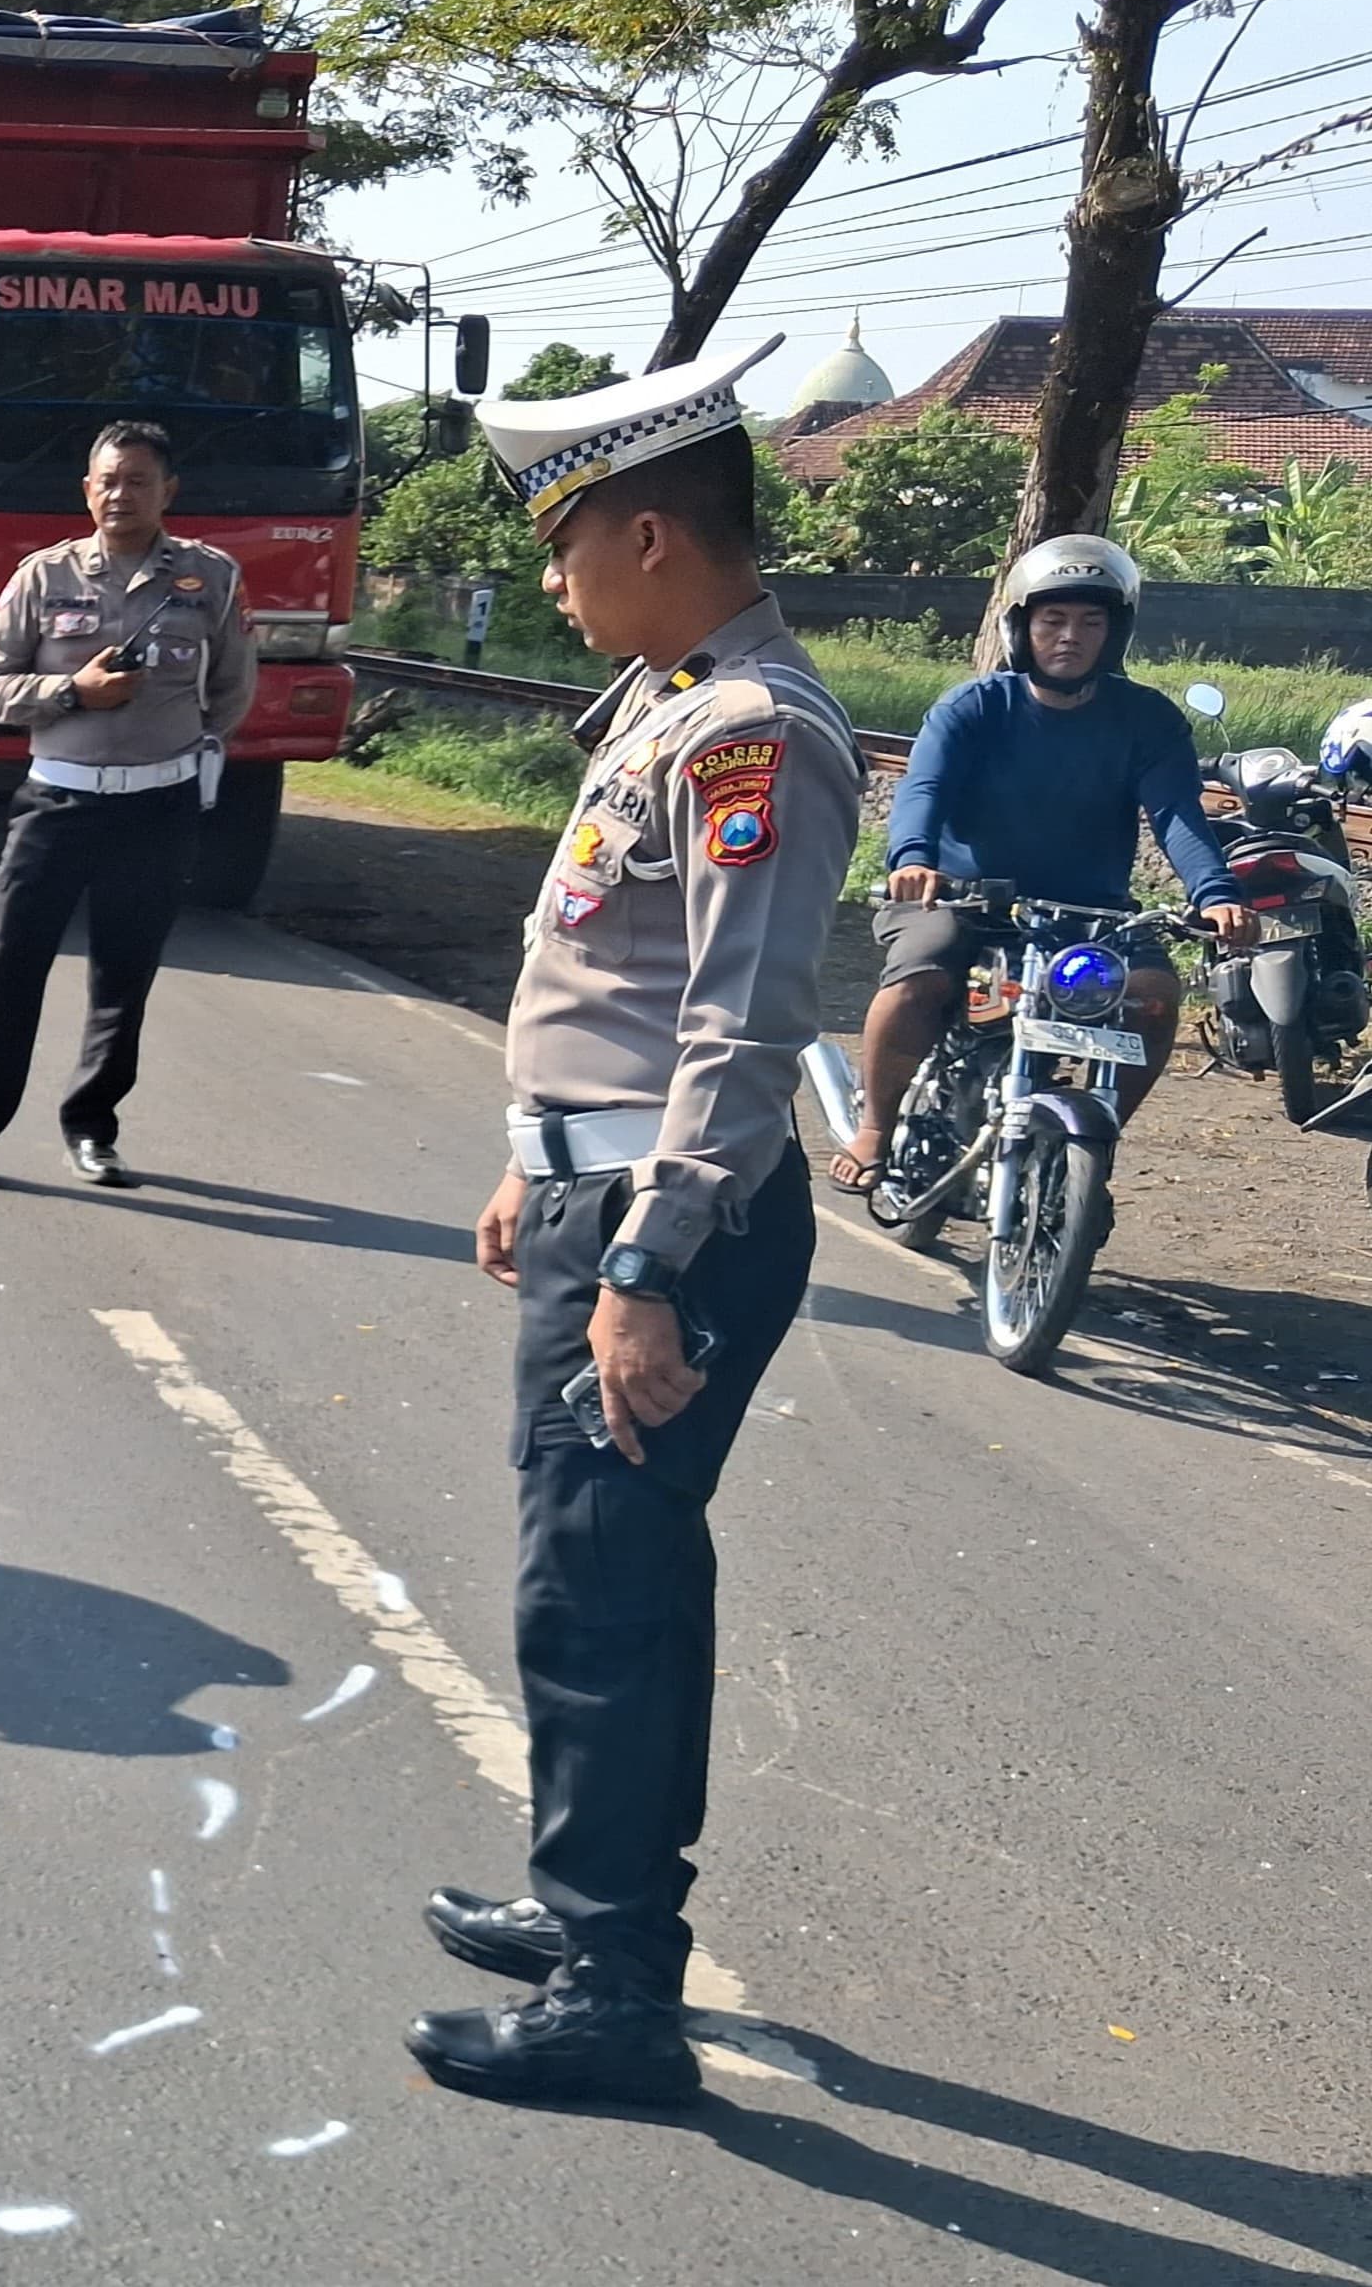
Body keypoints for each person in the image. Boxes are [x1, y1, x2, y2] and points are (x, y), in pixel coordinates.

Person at [408, 337, 864, 2107]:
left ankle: (614, 1989)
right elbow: (617, 982)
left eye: (563, 535)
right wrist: (539, 1155)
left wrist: (642, 1261)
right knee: (600, 1572)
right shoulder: (675, 700)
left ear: (655, 534)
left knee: (596, 1588)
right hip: (603, 1187)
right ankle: (579, 1899)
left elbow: (741, 1029)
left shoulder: (746, 731)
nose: (546, 572)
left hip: (669, 1223)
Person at [833, 536, 1253, 1190]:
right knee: (922, 977)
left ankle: (1095, 1146)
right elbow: (925, 790)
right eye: (1052, 619)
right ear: (1021, 626)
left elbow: (1178, 817)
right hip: (962, 901)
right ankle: (873, 1130)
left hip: (1090, 914)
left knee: (1153, 997)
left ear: (1115, 633)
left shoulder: (1148, 721)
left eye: (1091, 622)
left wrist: (1216, 892)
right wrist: (914, 860)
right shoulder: (973, 708)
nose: (1070, 637)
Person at [0, 420, 252, 1191]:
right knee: (10, 970)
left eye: (138, 481)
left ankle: (93, 1131)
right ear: (86, 489)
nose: (120, 495)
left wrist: (171, 746)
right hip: (58, 802)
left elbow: (232, 691)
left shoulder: (211, 578)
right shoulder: (43, 577)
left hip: (157, 809)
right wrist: (74, 692)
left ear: (167, 492)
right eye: (107, 481)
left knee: (123, 978)